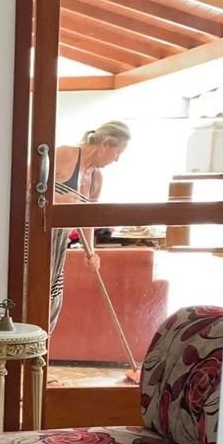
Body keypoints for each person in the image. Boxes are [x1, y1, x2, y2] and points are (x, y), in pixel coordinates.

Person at [49, 120, 130, 331]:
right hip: (36, 240)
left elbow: (87, 220)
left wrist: (91, 253)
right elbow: (26, 188)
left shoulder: (96, 178)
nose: (117, 159)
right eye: (118, 152)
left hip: (59, 246)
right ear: (105, 144)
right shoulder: (65, 155)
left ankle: (41, 350)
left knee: (51, 305)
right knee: (34, 298)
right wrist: (57, 200)